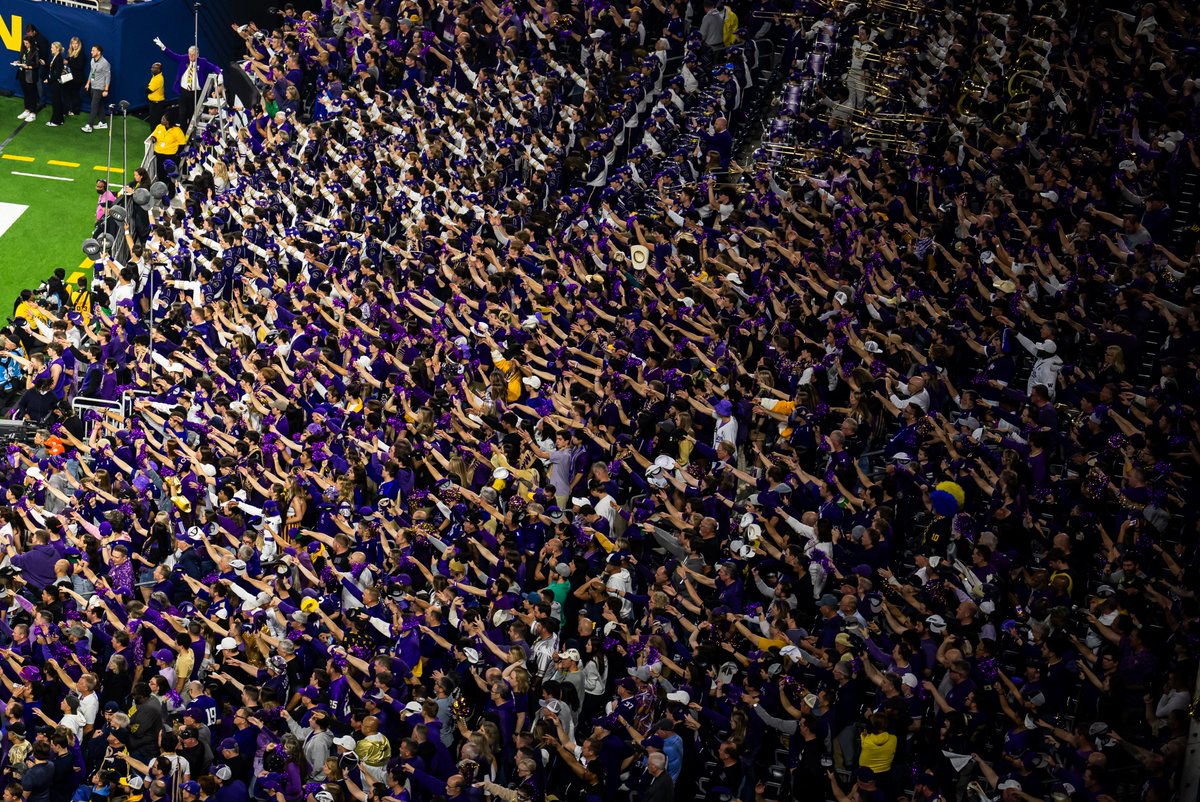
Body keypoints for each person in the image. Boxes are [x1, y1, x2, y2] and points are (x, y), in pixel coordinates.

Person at [152, 39, 220, 125]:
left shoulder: (202, 62)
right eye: (190, 54)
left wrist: (220, 73)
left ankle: (191, 131)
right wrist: (163, 47)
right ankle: (183, 130)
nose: (191, 56)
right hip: (184, 92)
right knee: (182, 114)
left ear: (197, 55)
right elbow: (173, 55)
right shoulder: (184, 59)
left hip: (196, 93)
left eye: (193, 55)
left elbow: (214, 67)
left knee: (193, 114)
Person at [148, 114, 187, 183]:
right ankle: (162, 187)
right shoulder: (159, 127)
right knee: (161, 173)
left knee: (172, 174)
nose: (161, 120)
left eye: (163, 119)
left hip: (170, 156)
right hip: (159, 155)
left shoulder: (177, 130)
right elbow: (154, 135)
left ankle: (172, 188)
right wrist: (153, 138)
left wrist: (177, 154)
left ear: (168, 121)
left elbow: (182, 143)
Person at [81, 44, 111, 133]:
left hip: (100, 88)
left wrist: (106, 90)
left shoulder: (105, 63)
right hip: (93, 86)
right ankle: (103, 122)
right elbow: (91, 72)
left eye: (93, 50)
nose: (91, 52)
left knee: (94, 106)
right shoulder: (92, 60)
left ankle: (89, 126)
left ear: (99, 52)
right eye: (91, 50)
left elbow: (108, 77)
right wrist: (88, 83)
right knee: (99, 105)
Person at [15, 31, 40, 122]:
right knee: (25, 93)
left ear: (31, 43)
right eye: (24, 43)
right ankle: (26, 110)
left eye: (27, 43)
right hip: (22, 74)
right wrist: (18, 63)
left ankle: (33, 113)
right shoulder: (24, 50)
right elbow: (23, 60)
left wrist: (28, 67)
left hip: (30, 75)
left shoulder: (35, 51)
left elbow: (37, 65)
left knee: (32, 93)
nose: (25, 45)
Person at [43, 41, 67, 127]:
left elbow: (57, 74)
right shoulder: (55, 57)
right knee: (57, 101)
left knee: (56, 102)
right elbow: (52, 68)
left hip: (56, 83)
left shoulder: (59, 58)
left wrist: (48, 80)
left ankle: (56, 121)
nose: (51, 49)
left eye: (52, 47)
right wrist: (45, 64)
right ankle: (60, 120)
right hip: (54, 83)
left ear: (57, 49)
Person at [64, 37, 87, 116]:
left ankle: (75, 110)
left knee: (75, 94)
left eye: (76, 43)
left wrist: (68, 62)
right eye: (73, 43)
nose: (74, 45)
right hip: (70, 77)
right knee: (69, 94)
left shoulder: (81, 54)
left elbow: (80, 66)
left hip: (77, 78)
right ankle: (68, 109)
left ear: (79, 44)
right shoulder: (70, 52)